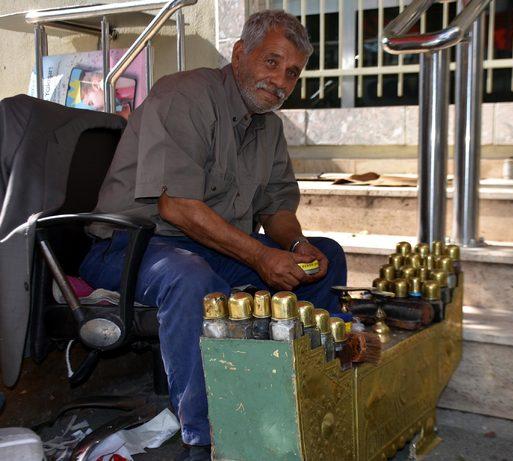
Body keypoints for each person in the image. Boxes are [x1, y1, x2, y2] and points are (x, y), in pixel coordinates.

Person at [78, 10, 347, 461]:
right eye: (271, 61)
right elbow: (177, 206)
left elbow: (276, 209)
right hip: (130, 247)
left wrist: (296, 246)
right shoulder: (186, 96)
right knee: (191, 278)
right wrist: (261, 257)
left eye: (292, 73)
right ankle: (203, 435)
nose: (280, 80)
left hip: (211, 247)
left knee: (326, 257)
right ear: (240, 53)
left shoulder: (269, 127)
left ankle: (298, 395)